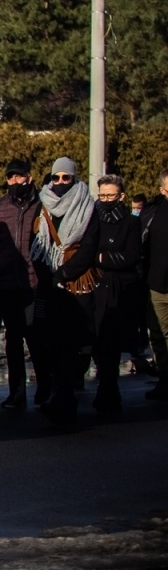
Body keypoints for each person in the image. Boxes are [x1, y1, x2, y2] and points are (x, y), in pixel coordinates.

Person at [30, 157, 100, 426]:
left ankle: (65, 397)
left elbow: (88, 247)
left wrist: (64, 272)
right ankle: (59, 393)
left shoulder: (88, 206)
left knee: (74, 342)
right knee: (50, 342)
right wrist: (47, 273)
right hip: (49, 285)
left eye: (66, 178)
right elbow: (34, 243)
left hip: (75, 283)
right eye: (55, 177)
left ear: (74, 178)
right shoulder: (42, 204)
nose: (60, 183)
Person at [0, 160, 45, 410]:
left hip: (35, 281)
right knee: (12, 341)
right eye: (10, 178)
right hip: (7, 282)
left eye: (19, 177)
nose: (14, 182)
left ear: (29, 178)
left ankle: (45, 387)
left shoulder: (43, 206)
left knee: (37, 338)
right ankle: (17, 393)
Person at [91, 175, 141, 418]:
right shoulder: (93, 219)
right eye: (102, 195)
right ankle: (106, 387)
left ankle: (108, 390)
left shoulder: (131, 223)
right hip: (95, 286)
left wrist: (100, 258)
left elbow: (131, 257)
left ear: (121, 196)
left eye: (110, 195)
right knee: (97, 341)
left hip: (119, 288)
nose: (106, 200)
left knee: (110, 341)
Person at [141, 168, 168, 401]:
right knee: (158, 336)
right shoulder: (153, 211)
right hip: (157, 284)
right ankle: (164, 380)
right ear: (162, 190)